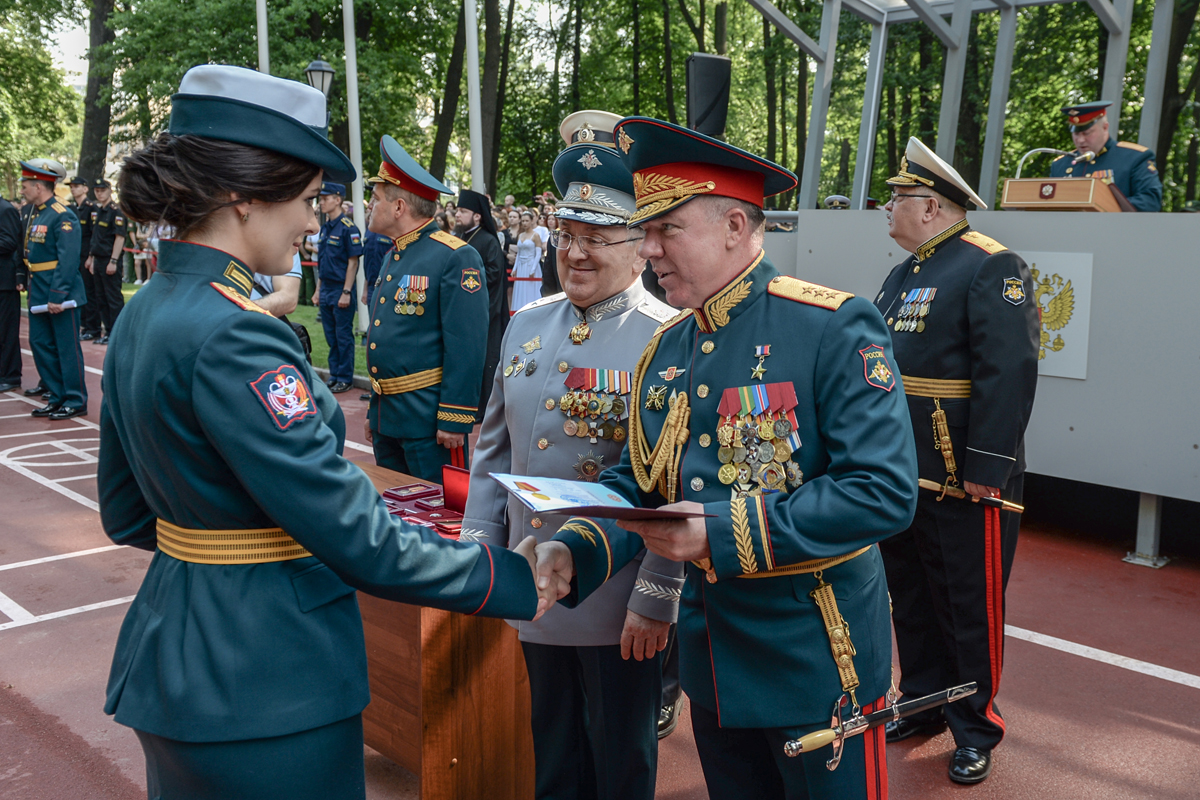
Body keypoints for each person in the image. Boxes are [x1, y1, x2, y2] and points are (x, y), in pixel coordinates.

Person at [99, 65, 554, 800]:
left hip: (177, 654)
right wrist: (517, 578)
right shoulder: (239, 339)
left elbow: (125, 511)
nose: (315, 221)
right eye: (308, 200)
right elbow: (361, 540)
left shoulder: (147, 309)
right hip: (268, 677)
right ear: (243, 197)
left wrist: (220, 543)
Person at [534, 116, 918, 800]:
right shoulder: (669, 348)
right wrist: (576, 550)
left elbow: (882, 490)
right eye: (645, 229)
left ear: (735, 227)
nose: (646, 247)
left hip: (815, 664)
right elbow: (640, 483)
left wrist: (720, 530)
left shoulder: (830, 326)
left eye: (666, 228)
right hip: (716, 668)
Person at [464, 111, 682, 800]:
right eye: (567, 234)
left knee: (621, 761)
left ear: (643, 244)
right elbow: (492, 450)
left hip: (617, 599)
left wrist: (655, 595)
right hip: (531, 579)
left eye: (597, 238)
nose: (575, 253)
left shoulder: (668, 340)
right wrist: (480, 557)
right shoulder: (528, 325)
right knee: (552, 754)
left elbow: (671, 485)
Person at [874, 138, 1039, 785]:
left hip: (962, 472)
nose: (887, 208)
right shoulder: (905, 273)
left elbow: (1009, 373)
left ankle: (976, 727)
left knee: (968, 605)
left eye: (897, 198)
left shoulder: (990, 266)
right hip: (904, 469)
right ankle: (923, 703)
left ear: (932, 206)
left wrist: (988, 465)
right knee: (910, 597)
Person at [363, 135, 490, 482]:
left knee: (436, 518)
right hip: (389, 415)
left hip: (429, 421)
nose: (368, 205)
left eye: (375, 199)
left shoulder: (454, 256)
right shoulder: (394, 254)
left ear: (399, 207)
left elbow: (466, 344)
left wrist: (454, 416)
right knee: (394, 511)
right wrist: (376, 412)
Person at [20, 158, 88, 420]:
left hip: (60, 294)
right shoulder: (37, 213)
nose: (23, 189)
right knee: (40, 344)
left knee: (66, 348)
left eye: (26, 184)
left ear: (39, 186)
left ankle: (74, 399)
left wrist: (58, 295)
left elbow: (68, 259)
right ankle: (57, 396)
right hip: (39, 290)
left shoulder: (62, 214)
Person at [1048, 100, 1162, 212]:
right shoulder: (1060, 165)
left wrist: (1103, 205)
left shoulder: (1134, 157)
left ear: (1105, 127)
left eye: (1087, 133)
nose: (1081, 140)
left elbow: (1150, 201)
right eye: (1076, 134)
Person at [455, 188, 509, 414]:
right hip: (461, 311)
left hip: (485, 311)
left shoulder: (489, 241)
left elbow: (494, 275)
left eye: (463, 211)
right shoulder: (459, 238)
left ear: (477, 216)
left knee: (485, 359)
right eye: (457, 210)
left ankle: (483, 408)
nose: (457, 215)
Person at [312, 181, 362, 393]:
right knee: (331, 336)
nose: (321, 202)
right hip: (326, 289)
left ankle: (344, 377)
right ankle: (334, 375)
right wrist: (317, 290)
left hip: (341, 288)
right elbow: (322, 263)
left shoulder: (348, 229)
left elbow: (353, 262)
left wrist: (346, 292)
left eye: (325, 198)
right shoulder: (325, 228)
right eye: (320, 199)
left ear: (338, 199)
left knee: (343, 335)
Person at [86, 178, 127, 345]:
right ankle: (108, 331)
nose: (99, 193)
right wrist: (91, 258)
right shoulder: (98, 210)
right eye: (96, 190)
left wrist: (114, 260)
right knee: (101, 297)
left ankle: (118, 333)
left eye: (102, 190)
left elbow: (119, 237)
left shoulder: (115, 211)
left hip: (110, 259)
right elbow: (96, 237)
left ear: (110, 190)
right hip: (99, 259)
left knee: (113, 298)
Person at [67, 175, 101, 341]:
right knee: (80, 290)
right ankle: (85, 325)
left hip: (86, 254)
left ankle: (93, 328)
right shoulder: (74, 208)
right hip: (77, 255)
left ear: (85, 189)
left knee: (89, 291)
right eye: (72, 186)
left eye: (77, 186)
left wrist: (91, 256)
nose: (73, 189)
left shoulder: (91, 207)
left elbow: (95, 234)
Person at [0, 193, 24, 392]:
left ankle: (11, 375)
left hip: (4, 282)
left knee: (6, 331)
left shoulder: (5, 209)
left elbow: (9, 242)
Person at [511, 211, 544, 312]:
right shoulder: (520, 235)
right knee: (520, 290)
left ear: (531, 221)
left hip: (531, 265)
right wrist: (514, 268)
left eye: (527, 221)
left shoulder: (536, 235)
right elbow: (519, 254)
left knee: (530, 291)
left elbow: (538, 254)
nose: (525, 223)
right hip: (521, 266)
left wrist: (533, 269)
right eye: (523, 221)